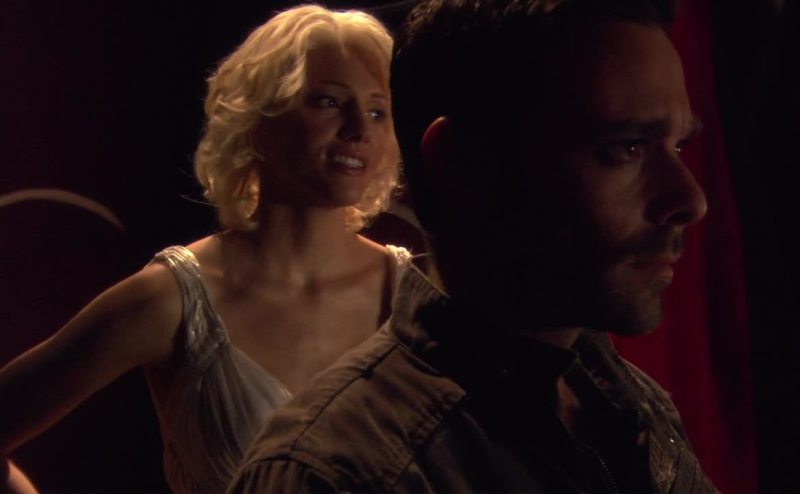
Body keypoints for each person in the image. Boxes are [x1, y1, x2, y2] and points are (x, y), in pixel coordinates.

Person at [227, 0, 720, 492]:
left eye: (677, 146)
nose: (690, 199)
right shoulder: (333, 475)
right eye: (626, 148)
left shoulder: (632, 404)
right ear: (462, 165)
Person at [0, 5, 407, 493]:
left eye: (378, 111)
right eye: (329, 101)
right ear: (260, 118)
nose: (360, 129)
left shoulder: (412, 296)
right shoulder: (173, 300)